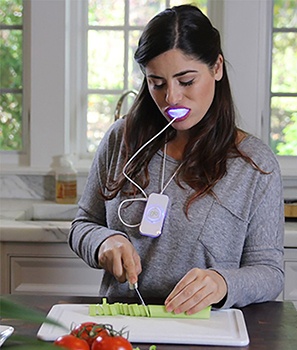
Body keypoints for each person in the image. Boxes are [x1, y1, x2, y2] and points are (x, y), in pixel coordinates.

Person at [69, 4, 284, 315]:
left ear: (217, 67)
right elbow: (83, 225)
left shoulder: (255, 164)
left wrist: (222, 284)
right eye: (157, 83)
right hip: (124, 324)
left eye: (186, 82)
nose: (171, 98)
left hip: (208, 329)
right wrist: (103, 242)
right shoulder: (120, 139)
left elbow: (270, 272)